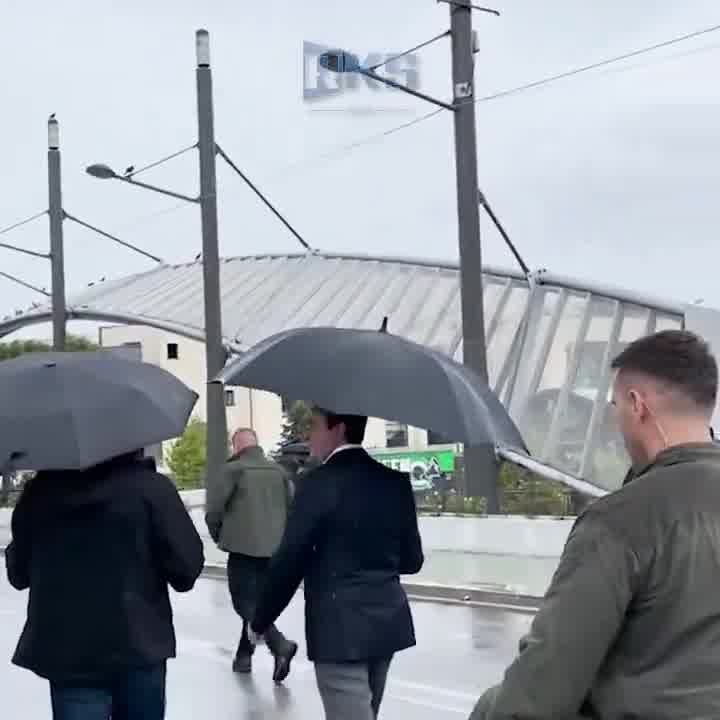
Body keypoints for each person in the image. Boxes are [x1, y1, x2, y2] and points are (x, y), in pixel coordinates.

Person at [470, 329, 720, 719]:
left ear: (638, 406)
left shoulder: (622, 520)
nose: (614, 420)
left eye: (615, 405)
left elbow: (544, 685)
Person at [250, 407, 424, 720]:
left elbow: (289, 562)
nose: (310, 436)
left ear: (338, 429)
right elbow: (412, 561)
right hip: (386, 624)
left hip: (338, 629)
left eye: (315, 427)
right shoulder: (394, 483)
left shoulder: (316, 485)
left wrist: (260, 621)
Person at [5, 450, 204, 720]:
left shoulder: (39, 494)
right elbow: (186, 570)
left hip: (69, 653)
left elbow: (18, 576)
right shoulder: (151, 490)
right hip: (139, 646)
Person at [205, 428, 297, 682]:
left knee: (245, 604)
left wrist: (220, 537)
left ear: (236, 446)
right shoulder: (279, 472)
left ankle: (280, 646)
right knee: (259, 603)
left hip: (242, 550)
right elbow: (292, 508)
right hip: (276, 551)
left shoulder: (232, 471)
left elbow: (213, 511)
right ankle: (243, 657)